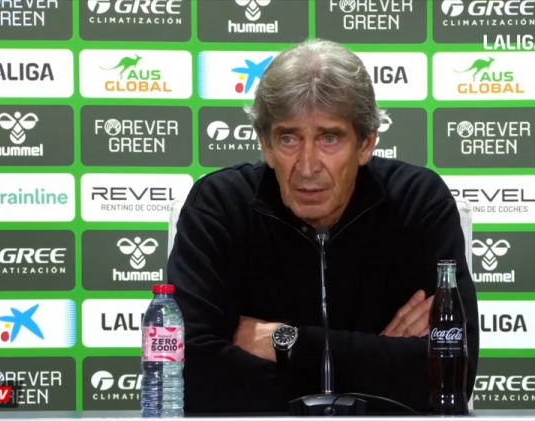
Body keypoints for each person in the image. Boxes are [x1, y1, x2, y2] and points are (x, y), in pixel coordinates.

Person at [167, 38, 479, 414]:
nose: (308, 166)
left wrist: (287, 343)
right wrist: (375, 363)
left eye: (330, 138)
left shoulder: (417, 200)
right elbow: (187, 373)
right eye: (289, 139)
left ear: (366, 143)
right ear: (266, 145)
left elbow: (449, 377)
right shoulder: (219, 204)